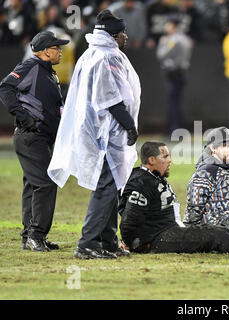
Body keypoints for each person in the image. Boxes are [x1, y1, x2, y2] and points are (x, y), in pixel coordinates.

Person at [47, 10, 140, 259]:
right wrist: (129, 125)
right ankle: (87, 243)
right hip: (103, 135)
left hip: (97, 131)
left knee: (112, 187)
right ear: (112, 35)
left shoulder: (92, 54)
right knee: (106, 188)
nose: (125, 37)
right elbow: (110, 99)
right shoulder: (104, 57)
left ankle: (108, 241)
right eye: (122, 33)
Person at [119, 141, 229, 255]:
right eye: (165, 156)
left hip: (169, 230)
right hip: (160, 237)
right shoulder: (142, 182)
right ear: (151, 160)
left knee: (215, 232)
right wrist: (134, 242)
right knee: (215, 235)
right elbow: (129, 217)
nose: (170, 160)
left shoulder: (152, 178)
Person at [0, 31, 69, 252]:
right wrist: (23, 116)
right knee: (45, 184)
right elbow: (5, 87)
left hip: (41, 137)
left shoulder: (49, 72)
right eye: (57, 47)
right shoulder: (30, 66)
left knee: (33, 185)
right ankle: (36, 235)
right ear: (45, 51)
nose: (60, 51)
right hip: (31, 136)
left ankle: (29, 236)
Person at [156, 15, 193, 135]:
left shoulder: (173, 40)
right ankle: (176, 128)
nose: (166, 26)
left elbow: (161, 55)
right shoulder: (185, 38)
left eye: (168, 24)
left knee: (173, 103)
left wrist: (162, 43)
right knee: (176, 102)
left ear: (173, 25)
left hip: (174, 73)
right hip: (181, 73)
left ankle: (174, 129)